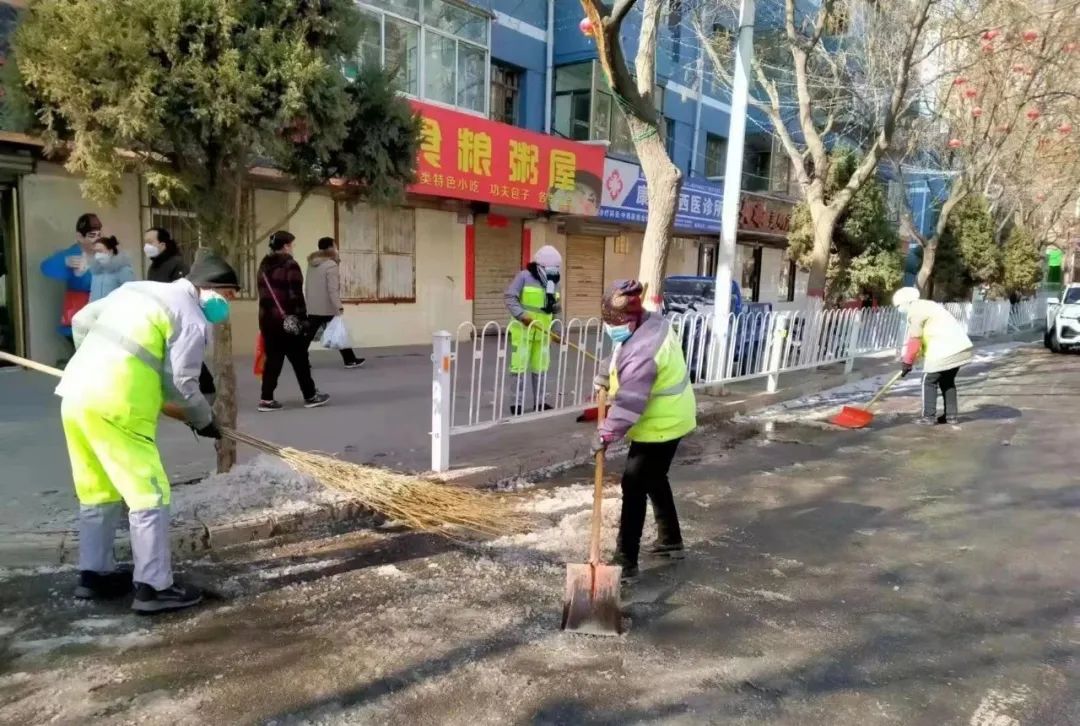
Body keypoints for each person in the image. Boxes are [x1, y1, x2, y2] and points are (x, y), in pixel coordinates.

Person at [56, 252, 239, 613]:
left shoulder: (137, 290)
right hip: (120, 405)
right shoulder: (189, 316)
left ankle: (94, 575)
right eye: (229, 295)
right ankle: (154, 587)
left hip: (76, 396)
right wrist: (203, 420)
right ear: (210, 289)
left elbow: (81, 320)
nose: (227, 305)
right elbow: (181, 384)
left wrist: (95, 365)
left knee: (97, 490)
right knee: (149, 494)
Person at [592, 280, 697, 580]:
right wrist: (605, 371)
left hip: (661, 422)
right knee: (655, 476)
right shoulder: (649, 321)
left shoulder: (643, 351)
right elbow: (621, 349)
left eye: (614, 324)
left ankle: (626, 560)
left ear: (628, 320)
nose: (611, 329)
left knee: (634, 483)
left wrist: (605, 434)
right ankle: (670, 540)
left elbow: (629, 403)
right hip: (672, 413)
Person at [257, 231, 329, 412]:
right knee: (300, 359)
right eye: (291, 244)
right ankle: (310, 395)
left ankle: (266, 399)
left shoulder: (264, 266)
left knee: (273, 360)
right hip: (288, 322)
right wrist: (303, 320)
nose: (293, 248)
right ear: (286, 246)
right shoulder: (290, 265)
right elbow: (296, 296)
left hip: (268, 321)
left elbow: (264, 295)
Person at [143, 227, 216, 400]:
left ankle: (207, 389)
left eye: (150, 242)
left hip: (177, 318)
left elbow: (184, 294)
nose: (146, 246)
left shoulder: (177, 264)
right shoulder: (154, 266)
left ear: (162, 244)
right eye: (145, 242)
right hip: (159, 318)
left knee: (186, 355)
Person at [892, 287, 974, 426]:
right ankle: (951, 416)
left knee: (928, 380)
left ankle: (928, 417)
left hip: (943, 350)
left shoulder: (915, 311)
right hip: (960, 347)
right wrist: (912, 360)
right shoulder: (928, 305)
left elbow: (915, 339)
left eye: (899, 306)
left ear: (905, 303)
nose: (899, 309)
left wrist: (907, 362)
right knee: (947, 381)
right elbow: (926, 336)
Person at [504, 245, 562, 416]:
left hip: (543, 333)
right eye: (550, 268)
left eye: (556, 268)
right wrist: (521, 315)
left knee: (541, 367)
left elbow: (556, 309)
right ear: (539, 266)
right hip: (523, 331)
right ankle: (516, 404)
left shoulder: (554, 282)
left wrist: (557, 331)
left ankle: (540, 402)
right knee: (519, 368)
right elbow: (510, 296)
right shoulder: (524, 277)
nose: (553, 271)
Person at [40, 213, 101, 354]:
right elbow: (45, 267)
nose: (97, 239)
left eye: (99, 235)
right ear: (80, 237)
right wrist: (65, 262)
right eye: (92, 235)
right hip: (79, 315)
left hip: (99, 314)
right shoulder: (73, 254)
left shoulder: (103, 253)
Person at [305, 237, 364, 369]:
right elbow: (333, 289)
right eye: (335, 246)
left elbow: (307, 286)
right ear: (330, 248)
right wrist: (338, 306)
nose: (337, 249)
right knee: (339, 332)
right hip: (327, 307)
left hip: (314, 306)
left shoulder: (312, 264)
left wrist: (309, 302)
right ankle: (350, 360)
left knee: (308, 335)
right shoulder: (331, 265)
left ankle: (301, 360)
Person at [88, 236, 135, 302]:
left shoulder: (123, 270)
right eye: (95, 251)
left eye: (100, 251)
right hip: (96, 307)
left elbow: (130, 292)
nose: (97, 254)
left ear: (110, 251)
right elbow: (92, 293)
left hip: (114, 307)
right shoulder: (96, 270)